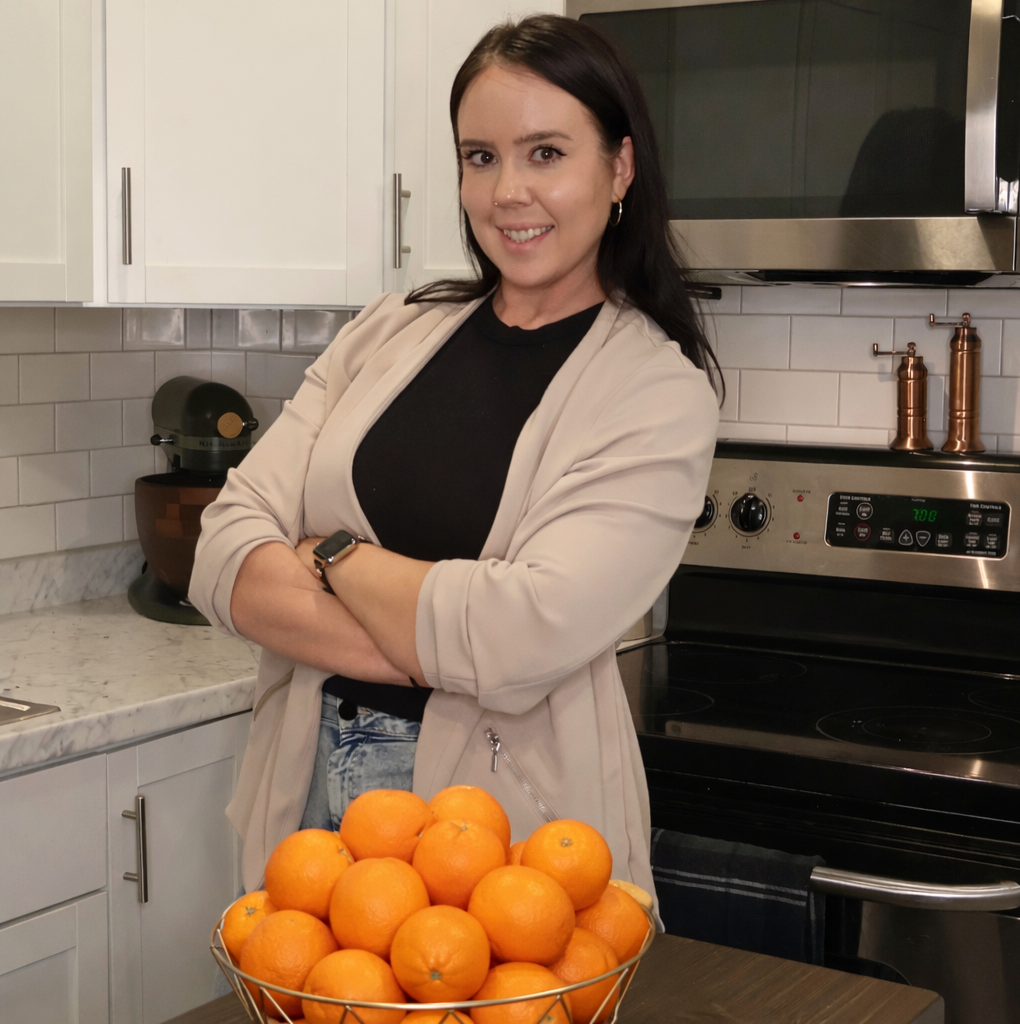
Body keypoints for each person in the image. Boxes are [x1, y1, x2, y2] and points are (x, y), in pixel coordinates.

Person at [189, 14, 720, 900]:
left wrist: (329, 553)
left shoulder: (655, 391)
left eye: (546, 153)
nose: (507, 190)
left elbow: (517, 637)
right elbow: (222, 553)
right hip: (305, 794)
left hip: (504, 832)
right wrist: (444, 639)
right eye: (481, 156)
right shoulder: (391, 331)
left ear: (619, 166)